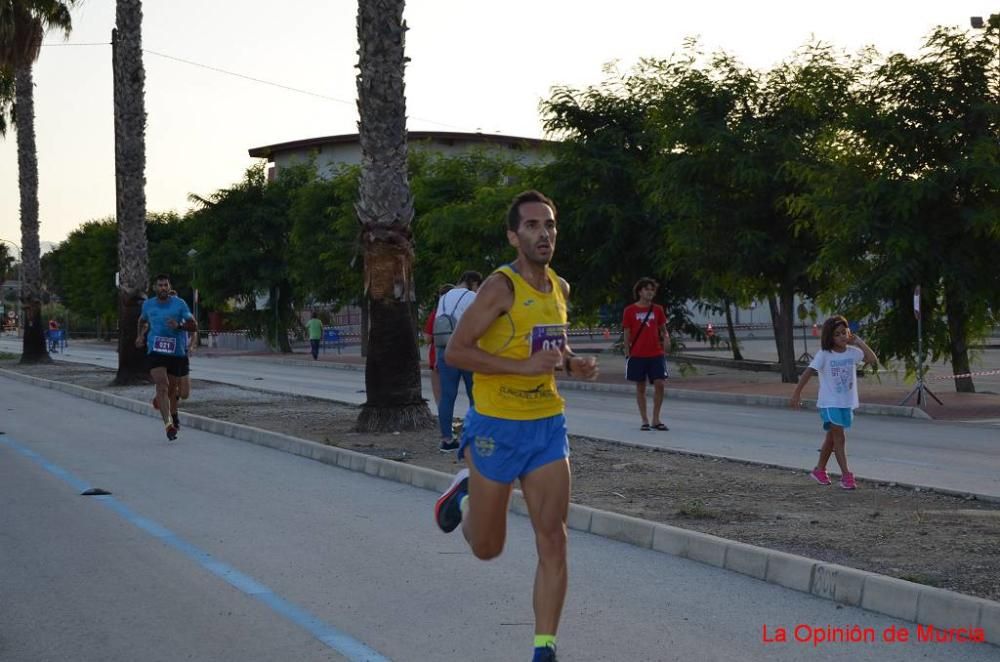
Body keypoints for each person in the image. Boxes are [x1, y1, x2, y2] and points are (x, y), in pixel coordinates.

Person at [434, 191, 598, 662]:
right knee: (487, 547)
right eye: (532, 226)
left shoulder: (560, 288)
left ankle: (544, 648)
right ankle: (463, 493)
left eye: (549, 225)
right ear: (513, 235)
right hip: (496, 428)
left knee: (554, 537)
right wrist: (520, 370)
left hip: (546, 425)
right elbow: (456, 352)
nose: (543, 233)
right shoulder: (499, 288)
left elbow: (552, 349)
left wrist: (572, 365)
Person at [790, 315, 878, 490]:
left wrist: (858, 341)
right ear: (830, 337)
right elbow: (808, 372)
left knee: (831, 439)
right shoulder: (824, 355)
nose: (842, 337)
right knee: (839, 438)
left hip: (846, 402)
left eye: (844, 333)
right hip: (830, 402)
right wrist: (796, 393)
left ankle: (819, 470)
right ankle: (846, 475)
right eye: (837, 334)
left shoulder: (853, 353)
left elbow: (872, 359)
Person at [135, 275, 197, 441]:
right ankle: (168, 424)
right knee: (162, 386)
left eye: (165, 285)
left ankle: (165, 404)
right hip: (156, 351)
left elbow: (194, 326)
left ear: (169, 287)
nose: (163, 288)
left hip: (177, 353)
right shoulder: (148, 305)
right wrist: (140, 337)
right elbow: (142, 320)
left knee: (181, 393)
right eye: (160, 285)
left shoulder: (180, 304)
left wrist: (180, 326)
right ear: (155, 287)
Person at [434, 270, 482, 452]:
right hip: (466, 350)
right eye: (478, 286)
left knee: (447, 396)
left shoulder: (444, 297)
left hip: (444, 351)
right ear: (473, 282)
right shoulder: (471, 296)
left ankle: (447, 439)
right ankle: (473, 436)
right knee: (475, 394)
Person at [622, 277, 670, 431]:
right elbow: (627, 332)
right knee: (640, 386)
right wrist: (627, 350)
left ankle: (656, 419)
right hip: (638, 353)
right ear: (640, 292)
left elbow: (663, 329)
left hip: (656, 353)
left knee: (660, 384)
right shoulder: (630, 310)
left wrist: (667, 339)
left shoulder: (658, 309)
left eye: (652, 289)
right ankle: (644, 420)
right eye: (646, 289)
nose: (650, 292)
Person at [423, 284, 454, 407]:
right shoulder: (461, 313)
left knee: (440, 397)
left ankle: (445, 423)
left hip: (437, 358)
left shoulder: (436, 314)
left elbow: (427, 339)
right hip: (457, 357)